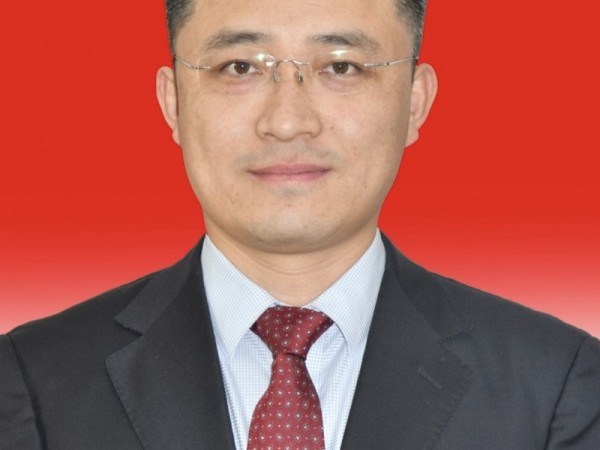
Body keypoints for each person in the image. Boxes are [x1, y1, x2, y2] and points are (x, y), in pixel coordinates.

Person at [1, 0, 599, 448]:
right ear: (174, 101)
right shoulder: (32, 381)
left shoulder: (558, 386)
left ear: (415, 101)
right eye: (239, 66)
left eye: (341, 66)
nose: (287, 122)